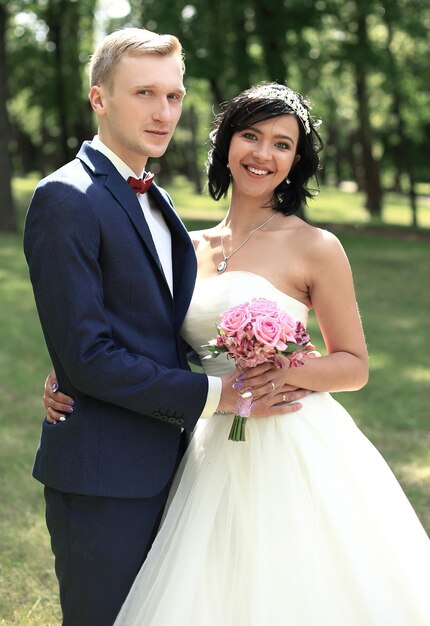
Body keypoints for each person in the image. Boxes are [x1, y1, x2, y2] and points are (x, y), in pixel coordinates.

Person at [44, 82, 430, 625]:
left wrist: (286, 368)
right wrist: (71, 372)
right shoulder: (186, 245)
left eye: (282, 144)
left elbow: (355, 365)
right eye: (251, 136)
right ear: (227, 143)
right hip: (209, 435)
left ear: (296, 161)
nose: (262, 154)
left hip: (291, 436)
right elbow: (143, 335)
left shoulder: (316, 247)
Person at [24, 30, 308, 626]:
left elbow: (150, 323)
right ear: (99, 99)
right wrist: (217, 393)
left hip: (180, 465)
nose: (163, 112)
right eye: (144, 93)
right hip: (105, 474)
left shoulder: (159, 202)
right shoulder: (64, 197)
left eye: (174, 96)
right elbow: (89, 355)